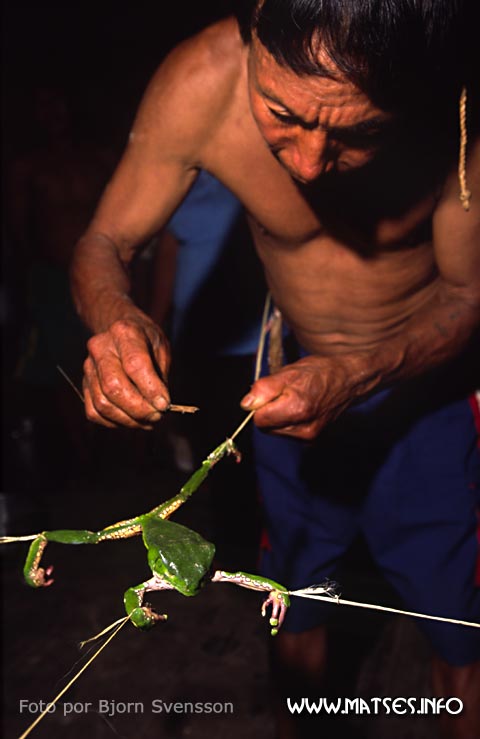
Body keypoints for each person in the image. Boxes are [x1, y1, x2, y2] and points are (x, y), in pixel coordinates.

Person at [70, 2, 479, 737]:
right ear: (252, 24)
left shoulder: (456, 107)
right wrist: (116, 319)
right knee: (292, 603)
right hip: (284, 395)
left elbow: (468, 293)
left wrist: (357, 373)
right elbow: (106, 238)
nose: (307, 165)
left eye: (359, 132)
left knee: (462, 634)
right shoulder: (201, 81)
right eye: (281, 112)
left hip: (429, 402)